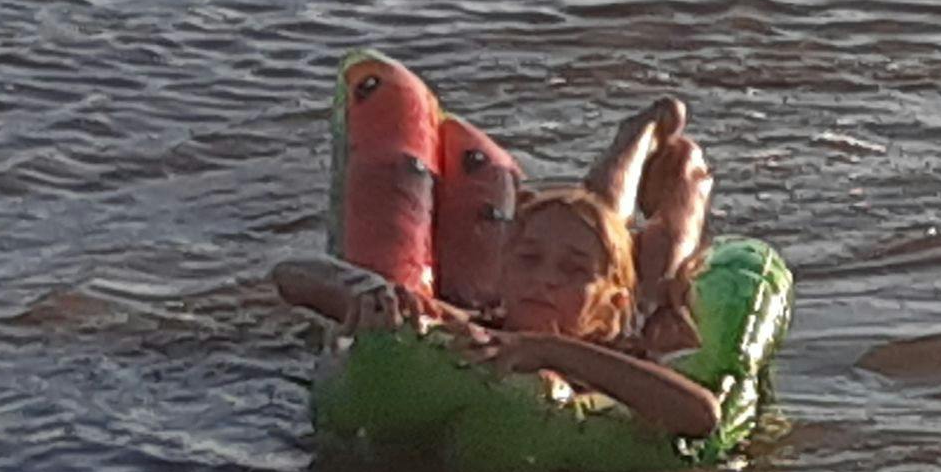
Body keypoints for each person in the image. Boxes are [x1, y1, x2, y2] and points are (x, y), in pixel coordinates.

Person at [284, 95, 724, 442]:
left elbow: (701, 415)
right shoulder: (477, 329)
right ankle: (641, 134)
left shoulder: (623, 351)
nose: (546, 278)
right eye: (528, 260)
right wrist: (368, 289)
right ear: (504, 271)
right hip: (603, 282)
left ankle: (675, 159)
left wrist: (547, 350)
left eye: (570, 272)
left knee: (662, 266)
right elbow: (291, 274)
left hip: (631, 311)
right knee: (585, 219)